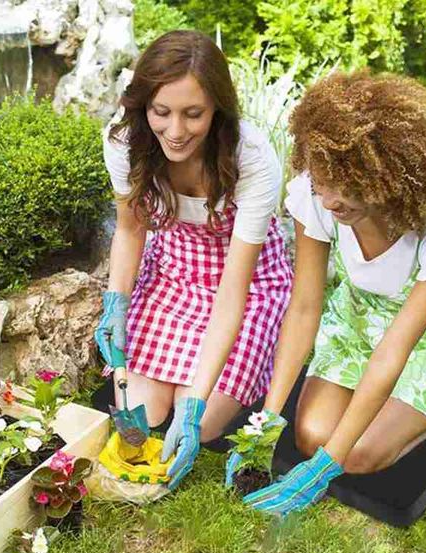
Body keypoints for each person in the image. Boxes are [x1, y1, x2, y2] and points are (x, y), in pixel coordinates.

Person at [226, 70, 426, 515]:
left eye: (347, 186)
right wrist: (267, 420)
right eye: (321, 181)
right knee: (310, 435)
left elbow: (396, 349)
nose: (330, 200)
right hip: (356, 322)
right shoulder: (317, 197)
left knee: (354, 454)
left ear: (386, 174)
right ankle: (385, 415)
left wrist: (328, 465)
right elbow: (306, 307)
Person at [94, 30, 293, 490]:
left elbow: (232, 291)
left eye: (193, 114)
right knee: (143, 411)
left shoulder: (253, 159)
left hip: (245, 286)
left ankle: (223, 389)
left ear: (217, 110)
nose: (176, 131)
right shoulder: (124, 141)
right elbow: (130, 229)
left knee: (198, 424)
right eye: (161, 112)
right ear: (143, 104)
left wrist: (197, 402)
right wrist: (116, 304)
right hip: (173, 274)